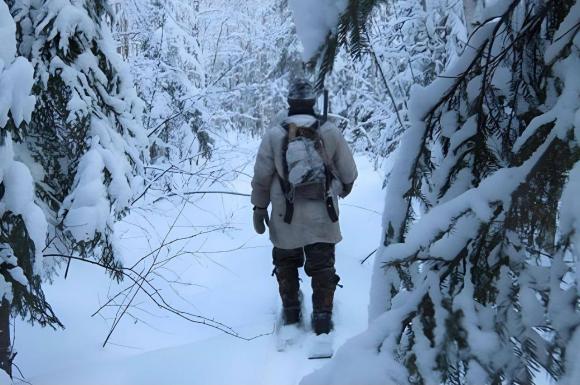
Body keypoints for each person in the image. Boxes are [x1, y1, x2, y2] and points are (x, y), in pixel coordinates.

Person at [251, 78, 358, 335]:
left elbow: (261, 176)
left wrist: (258, 208)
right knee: (322, 267)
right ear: (312, 102)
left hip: (284, 216)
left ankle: (291, 312)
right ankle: (322, 317)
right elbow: (349, 172)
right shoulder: (329, 131)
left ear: (289, 102)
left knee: (286, 263)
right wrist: (341, 189)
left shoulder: (275, 134)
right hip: (323, 215)